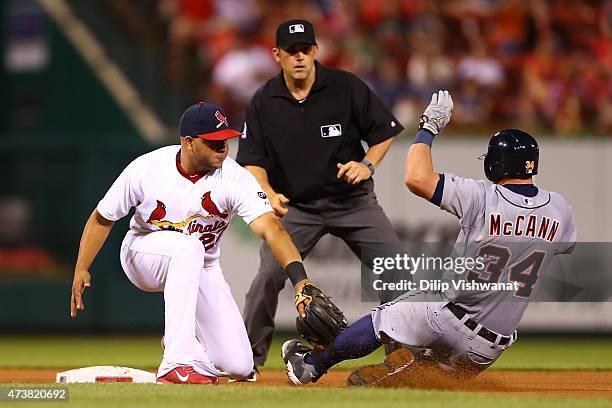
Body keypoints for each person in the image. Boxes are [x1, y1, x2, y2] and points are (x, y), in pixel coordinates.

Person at [281, 90, 577, 386]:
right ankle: (397, 377)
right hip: (487, 350)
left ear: (496, 164)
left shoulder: (483, 196)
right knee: (420, 380)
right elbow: (563, 246)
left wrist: (429, 126)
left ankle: (311, 364)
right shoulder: (559, 209)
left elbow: (416, 177)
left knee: (385, 318)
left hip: (446, 318)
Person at [70, 102, 320, 384]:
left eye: (225, 140)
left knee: (239, 364)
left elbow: (271, 229)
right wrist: (82, 267)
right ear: (188, 143)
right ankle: (175, 363)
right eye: (213, 142)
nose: (223, 148)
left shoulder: (235, 177)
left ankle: (183, 345)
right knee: (188, 247)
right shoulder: (147, 168)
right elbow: (102, 218)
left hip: (202, 266)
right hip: (142, 253)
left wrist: (300, 281)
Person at [235, 19, 404, 377]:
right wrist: (267, 192)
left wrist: (368, 165)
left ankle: (402, 357)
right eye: (290, 51)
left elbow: (385, 130)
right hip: (298, 209)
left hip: (353, 202)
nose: (299, 57)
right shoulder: (265, 101)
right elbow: (251, 160)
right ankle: (246, 361)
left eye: (305, 49)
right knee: (267, 277)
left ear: (315, 51)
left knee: (396, 272)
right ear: (277, 55)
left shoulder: (344, 87)